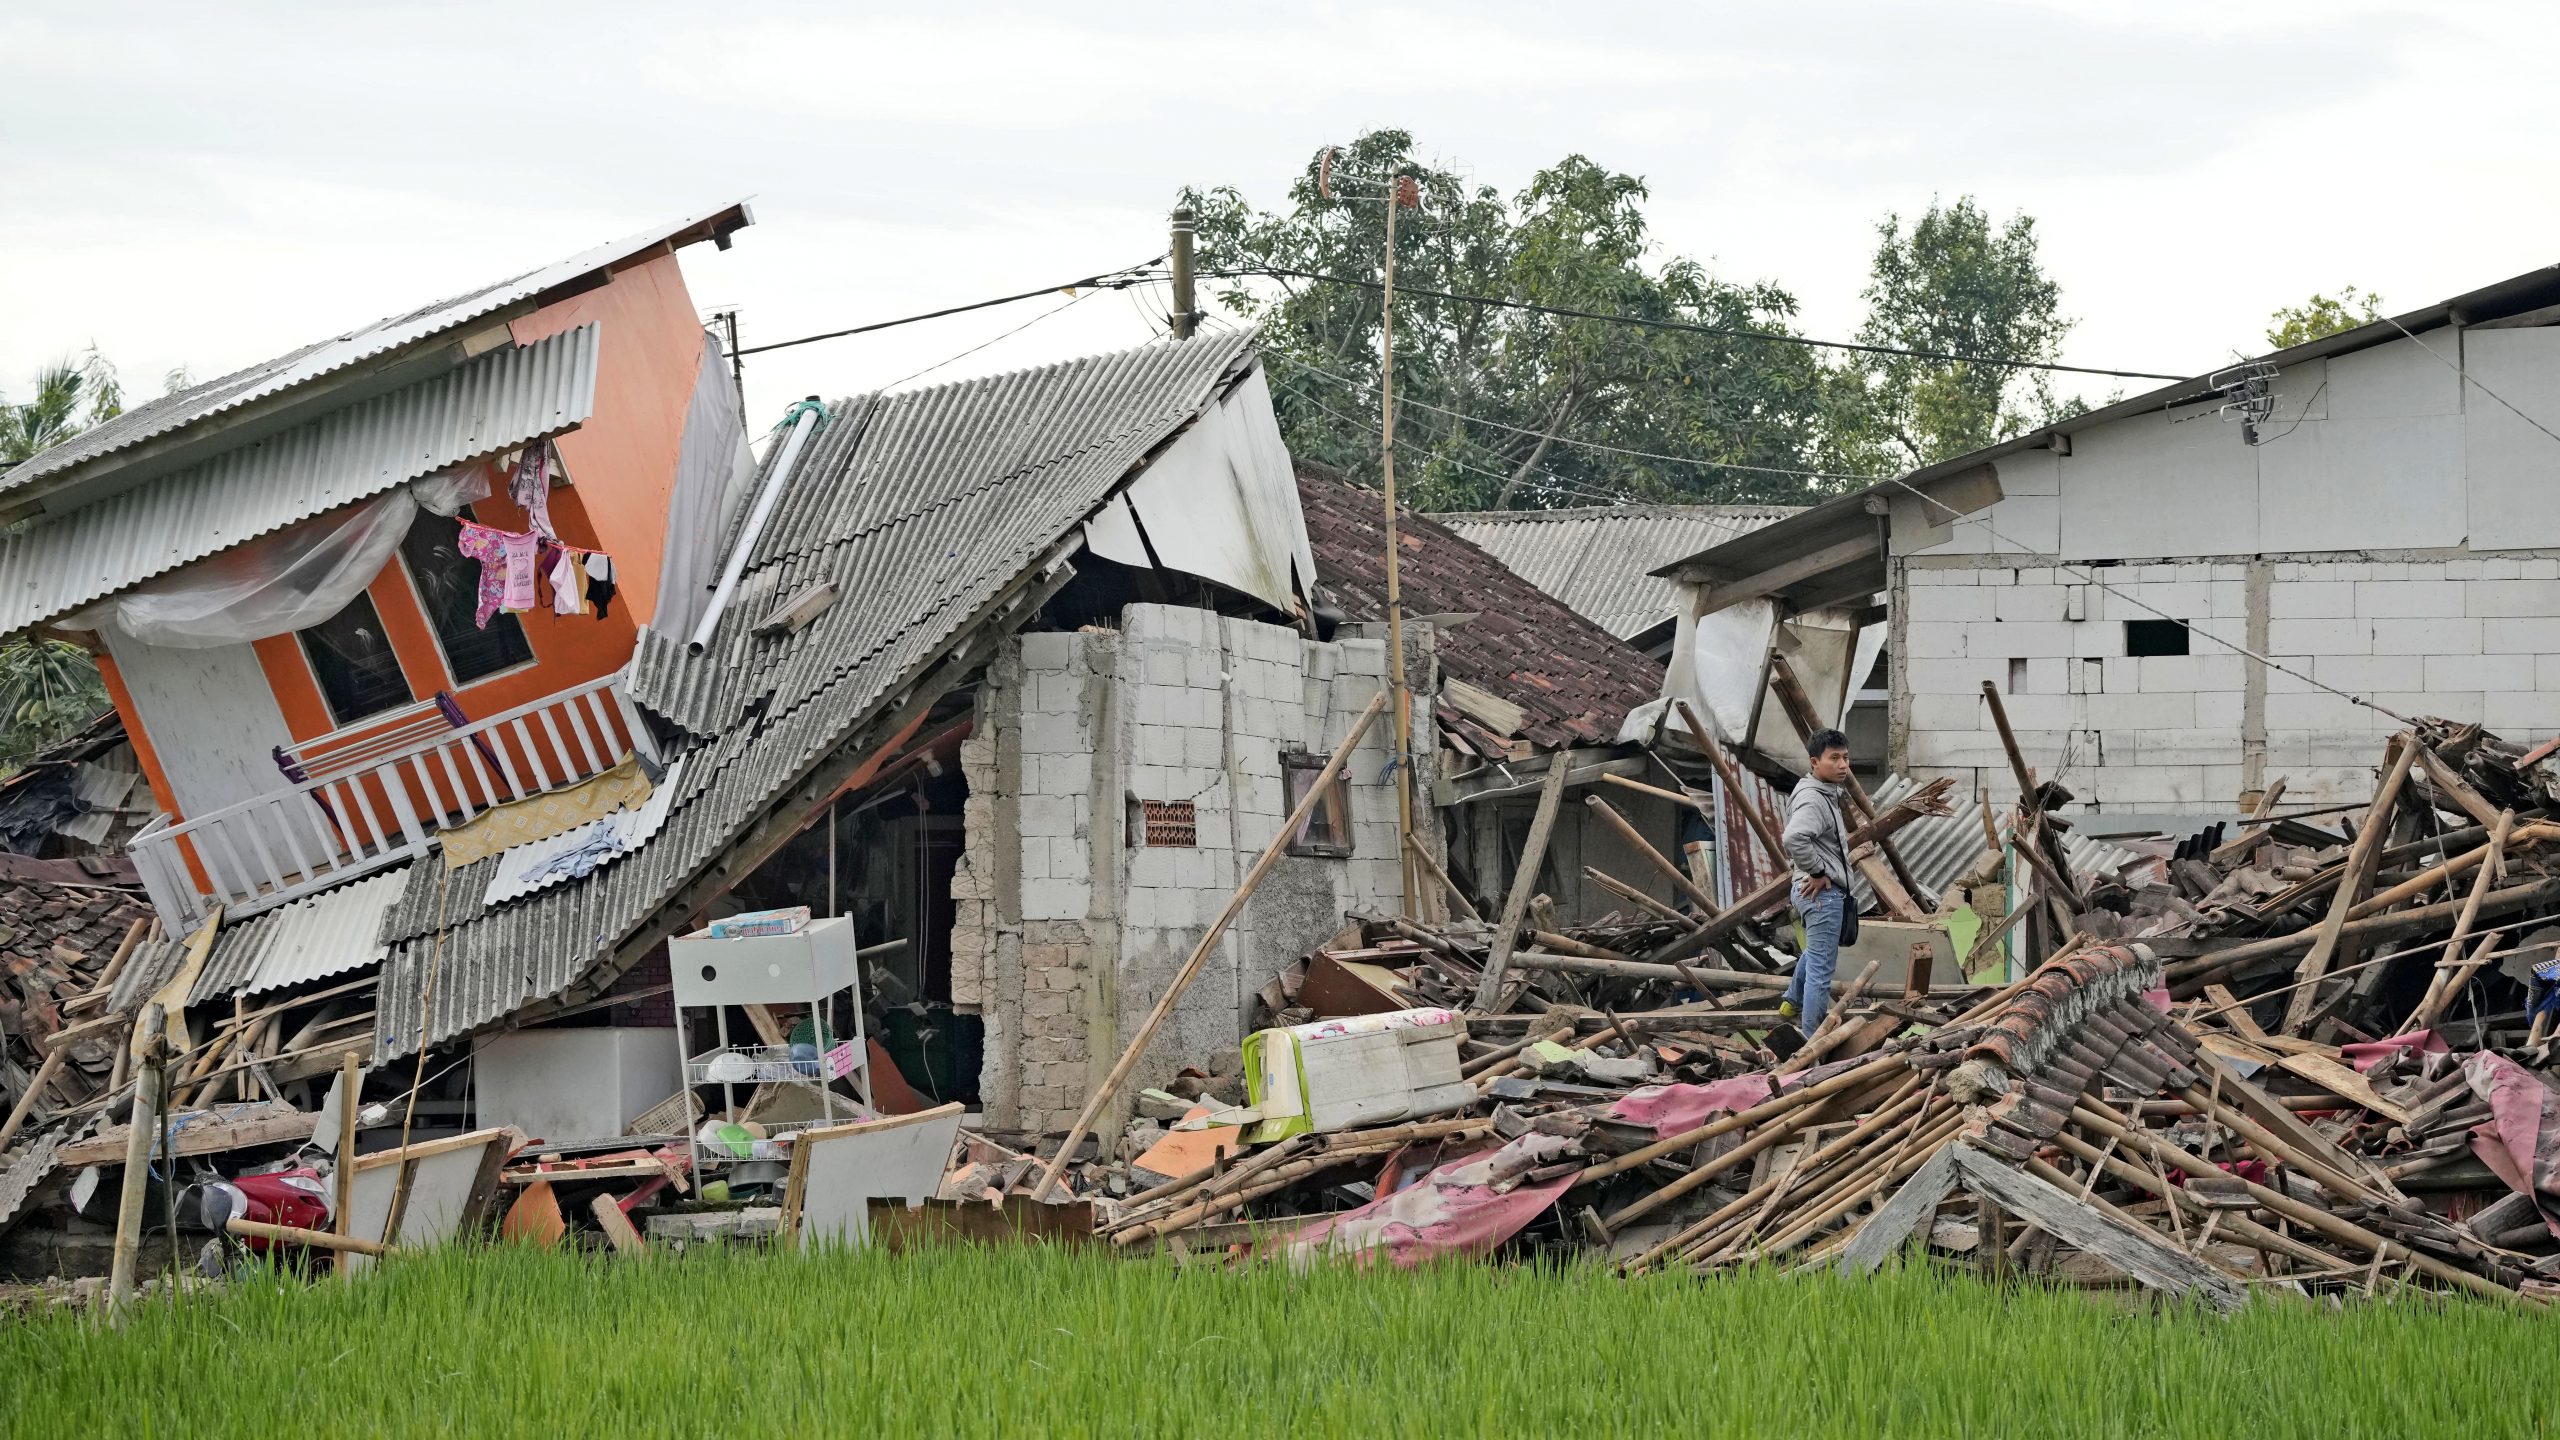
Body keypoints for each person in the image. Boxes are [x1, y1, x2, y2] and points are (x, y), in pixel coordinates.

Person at [1780, 727, 1857, 1034]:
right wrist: (1817, 871)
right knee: (1821, 972)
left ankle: (1791, 1001)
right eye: (1834, 758)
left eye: (1846, 758)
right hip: (1821, 894)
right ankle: (1812, 1040)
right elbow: (1794, 838)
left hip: (1816, 892)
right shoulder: (1814, 799)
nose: (1843, 765)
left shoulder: (1822, 793)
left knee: (1816, 951)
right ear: (1815, 762)